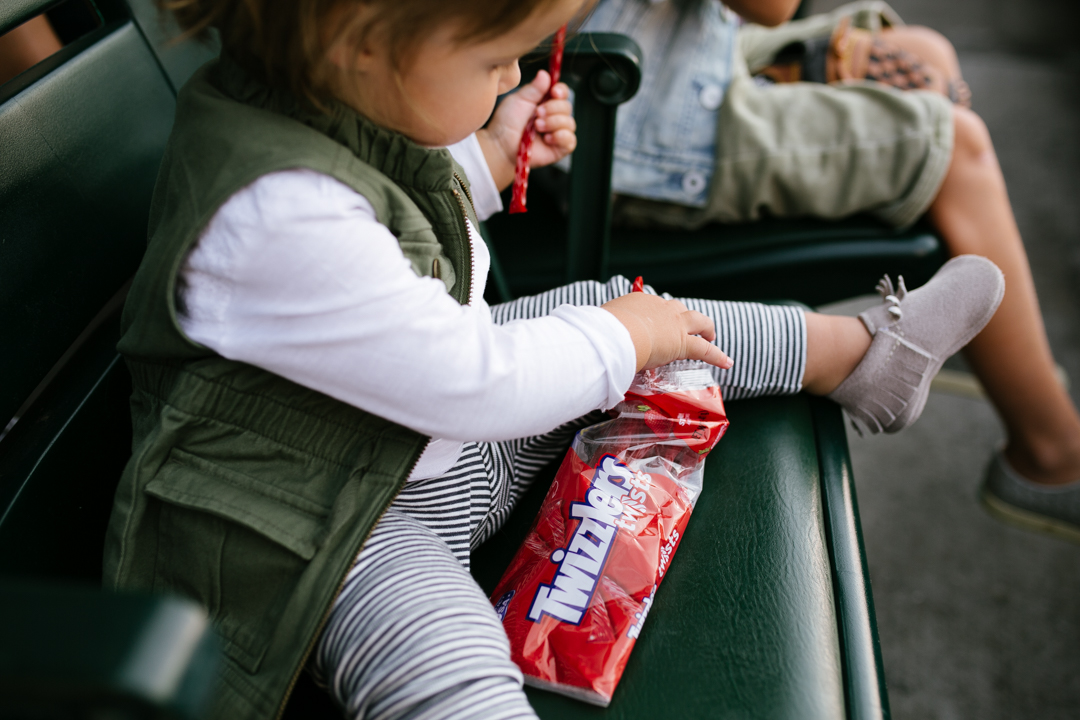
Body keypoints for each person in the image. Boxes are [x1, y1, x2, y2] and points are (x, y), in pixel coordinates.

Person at [101, 0, 1004, 718]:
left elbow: (402, 254)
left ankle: (863, 356)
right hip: (331, 532)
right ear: (363, 40)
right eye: (494, 59)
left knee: (604, 307)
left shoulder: (324, 105)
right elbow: (471, 379)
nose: (512, 74)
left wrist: (486, 156)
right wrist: (624, 337)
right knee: (447, 669)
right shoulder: (273, 213)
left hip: (421, 450)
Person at [581, 0, 1080, 539]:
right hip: (625, 113)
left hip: (661, 45)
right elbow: (773, 8)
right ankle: (1050, 456)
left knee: (925, 54)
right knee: (960, 146)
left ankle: (986, 346)